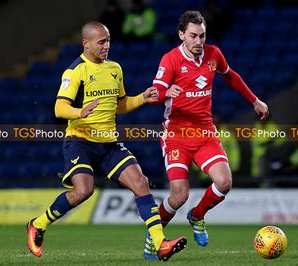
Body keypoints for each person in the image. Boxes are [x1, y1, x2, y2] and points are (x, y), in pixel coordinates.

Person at [26, 21, 186, 261]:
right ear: (86, 43)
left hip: (108, 144)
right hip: (80, 141)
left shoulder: (115, 69)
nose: (107, 45)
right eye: (101, 42)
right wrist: (80, 112)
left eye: (108, 40)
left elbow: (120, 105)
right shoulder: (75, 71)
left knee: (141, 182)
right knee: (84, 190)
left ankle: (160, 243)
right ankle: (38, 224)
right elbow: (60, 108)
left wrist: (142, 97)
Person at [143, 11, 269, 259]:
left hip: (205, 134)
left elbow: (230, 76)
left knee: (224, 182)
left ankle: (197, 215)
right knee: (179, 195)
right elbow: (154, 94)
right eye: (193, 36)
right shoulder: (170, 60)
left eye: (202, 35)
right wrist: (166, 92)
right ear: (182, 35)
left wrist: (254, 100)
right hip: (176, 135)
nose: (199, 41)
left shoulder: (214, 54)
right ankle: (154, 234)